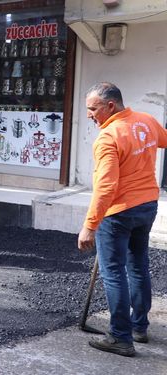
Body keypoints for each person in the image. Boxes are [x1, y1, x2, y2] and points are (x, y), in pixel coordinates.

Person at [78, 82, 167, 357]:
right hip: (147, 205)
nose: (90, 115)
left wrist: (89, 226)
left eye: (93, 109)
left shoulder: (108, 137)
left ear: (110, 106)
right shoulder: (147, 121)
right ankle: (139, 327)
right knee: (138, 265)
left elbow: (106, 187)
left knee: (114, 272)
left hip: (118, 213)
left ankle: (120, 336)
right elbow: (163, 139)